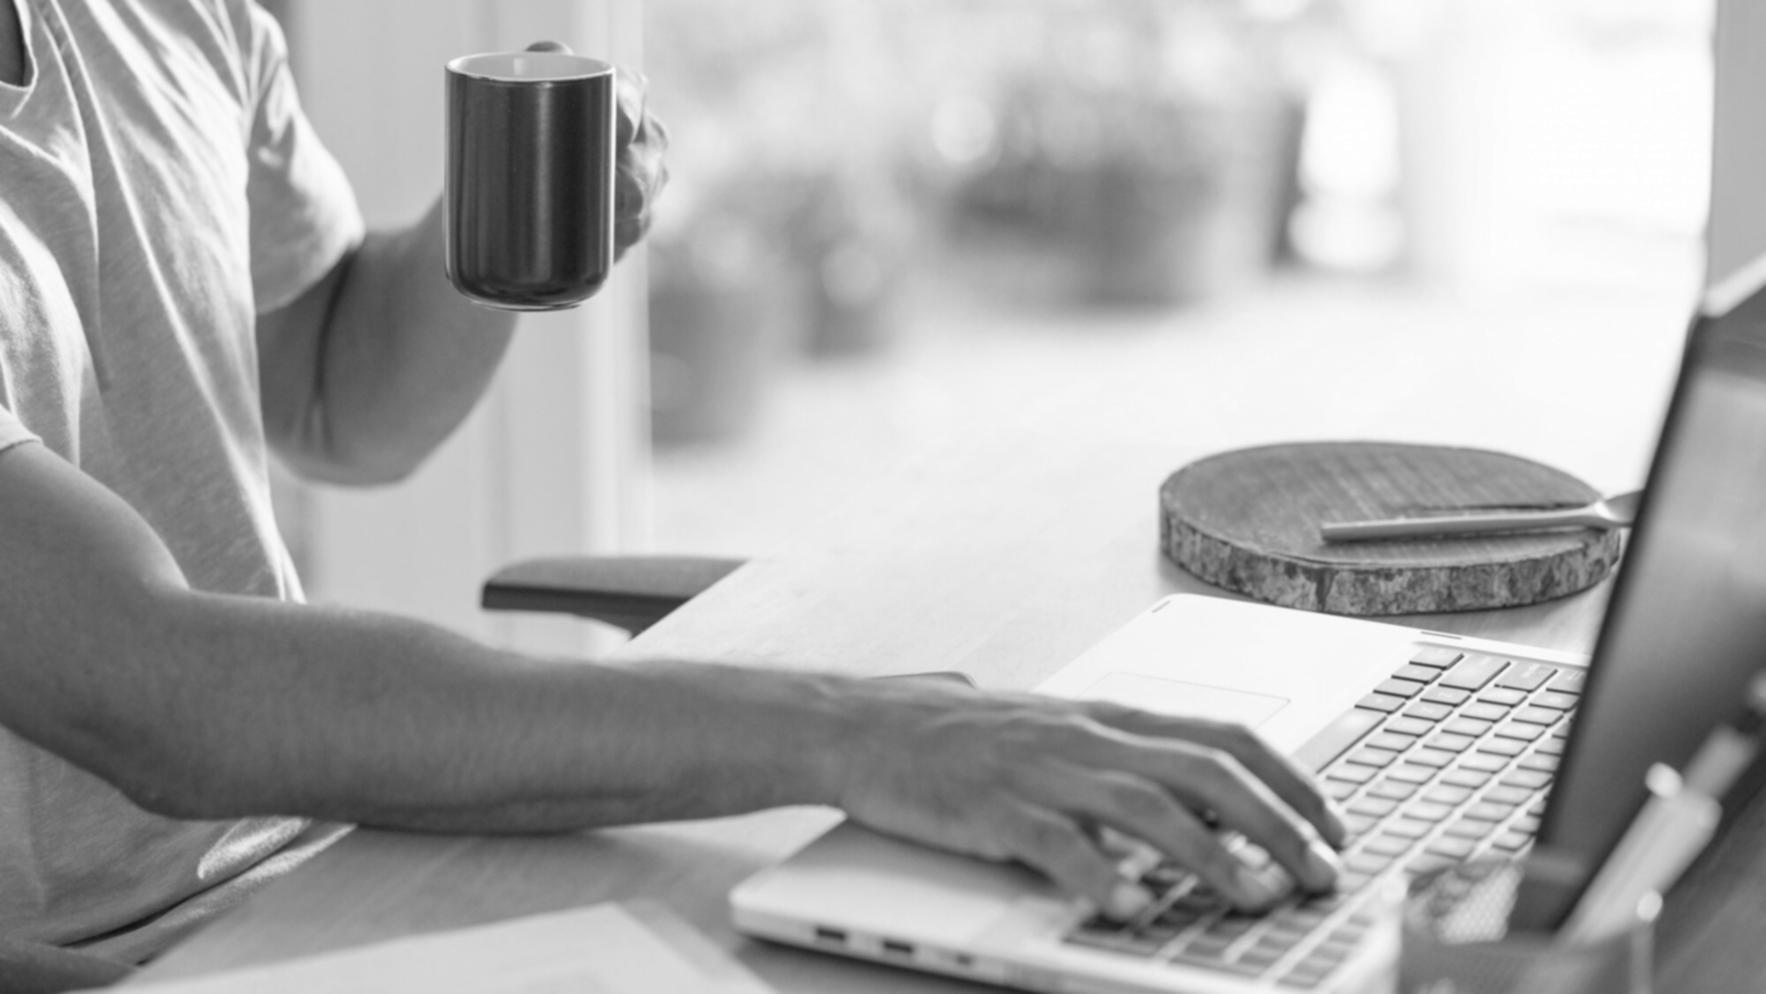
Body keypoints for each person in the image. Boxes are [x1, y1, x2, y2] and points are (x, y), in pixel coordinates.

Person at [0, 0, 1344, 978]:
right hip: (102, 954)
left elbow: (339, 397)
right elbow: (157, 693)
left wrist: (505, 211)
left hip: (321, 865)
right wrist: (854, 731)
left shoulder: (170, 16)